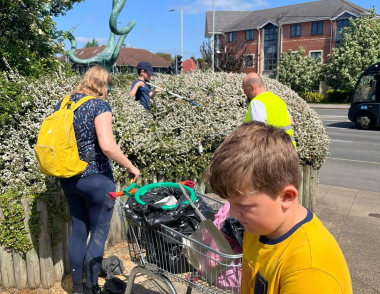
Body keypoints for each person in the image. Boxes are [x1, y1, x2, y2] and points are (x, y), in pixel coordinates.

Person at [204, 121, 352, 294]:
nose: (233, 213)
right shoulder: (257, 229)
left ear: (286, 197)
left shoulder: (308, 270)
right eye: (230, 203)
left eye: (243, 205)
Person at [54, 66, 140, 294]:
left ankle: (77, 288)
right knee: (98, 235)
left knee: (79, 231)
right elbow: (107, 146)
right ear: (103, 84)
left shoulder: (64, 103)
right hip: (96, 180)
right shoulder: (99, 106)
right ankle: (92, 288)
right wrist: (131, 166)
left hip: (69, 179)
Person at [242, 73, 296, 149]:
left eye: (245, 89)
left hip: (273, 152)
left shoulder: (257, 102)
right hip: (289, 150)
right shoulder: (277, 100)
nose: (244, 93)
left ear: (252, 87)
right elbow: (291, 121)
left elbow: (258, 132)